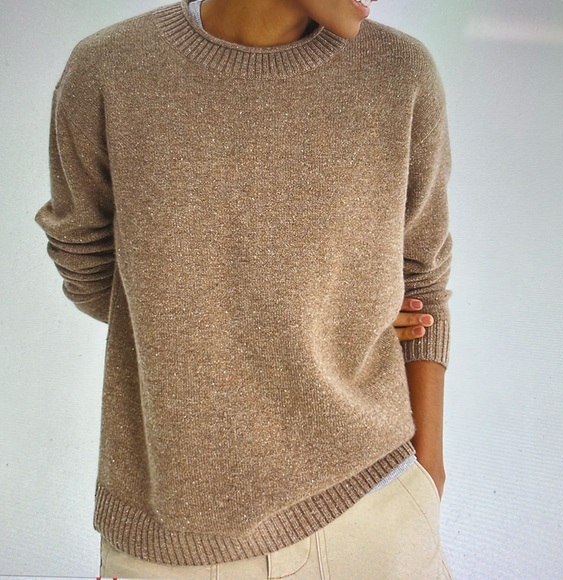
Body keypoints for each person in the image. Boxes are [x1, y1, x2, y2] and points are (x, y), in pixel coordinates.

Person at [35, 0, 453, 577]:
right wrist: (199, 308)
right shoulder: (109, 69)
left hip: (377, 510)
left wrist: (429, 468)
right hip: (173, 536)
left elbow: (423, 277)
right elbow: (86, 261)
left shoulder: (399, 72)